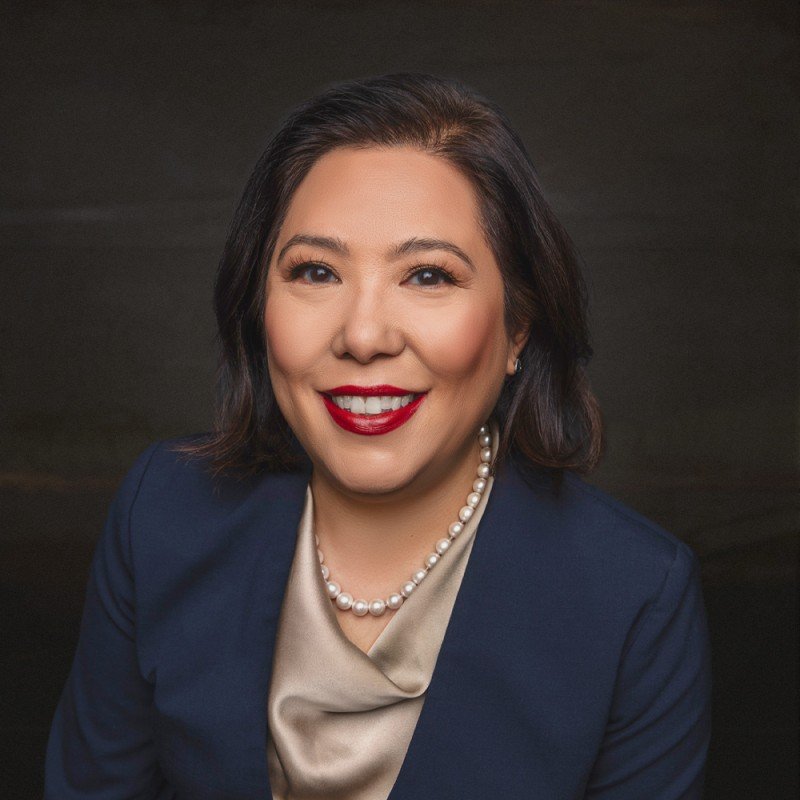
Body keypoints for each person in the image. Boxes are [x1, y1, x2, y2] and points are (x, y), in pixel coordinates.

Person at [44, 72, 712, 799]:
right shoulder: (163, 513)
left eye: (427, 276)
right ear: (257, 305)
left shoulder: (634, 596)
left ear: (519, 325)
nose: (363, 336)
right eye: (316, 271)